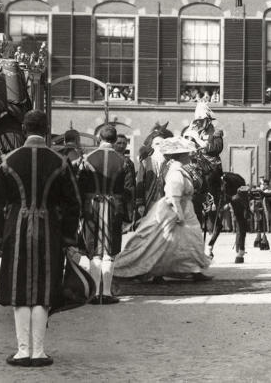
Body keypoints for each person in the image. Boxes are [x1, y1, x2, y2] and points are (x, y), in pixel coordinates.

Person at [0, 110, 81, 367]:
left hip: (16, 229)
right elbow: (73, 203)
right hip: (49, 228)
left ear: (24, 128)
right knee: (43, 289)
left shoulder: (8, 161)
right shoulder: (60, 162)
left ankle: (22, 351)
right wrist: (69, 239)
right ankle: (39, 352)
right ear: (46, 128)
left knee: (19, 288)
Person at [114, 137, 212, 281]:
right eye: (187, 153)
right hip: (176, 210)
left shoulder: (178, 169)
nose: (189, 156)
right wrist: (179, 214)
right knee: (161, 243)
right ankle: (154, 270)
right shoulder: (176, 172)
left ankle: (193, 270)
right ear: (181, 155)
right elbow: (174, 195)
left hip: (185, 209)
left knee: (188, 242)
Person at [78, 124, 132, 305]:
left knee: (94, 251)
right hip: (114, 207)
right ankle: (107, 293)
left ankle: (93, 293)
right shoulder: (124, 161)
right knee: (109, 252)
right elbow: (127, 191)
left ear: (99, 138)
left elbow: (80, 187)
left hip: (92, 207)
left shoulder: (86, 159)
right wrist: (127, 216)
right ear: (115, 140)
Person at [114, 133, 137, 231]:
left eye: (124, 143)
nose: (122, 145)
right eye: (119, 143)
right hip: (115, 199)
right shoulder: (111, 160)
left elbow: (131, 184)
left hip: (127, 199)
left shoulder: (129, 162)